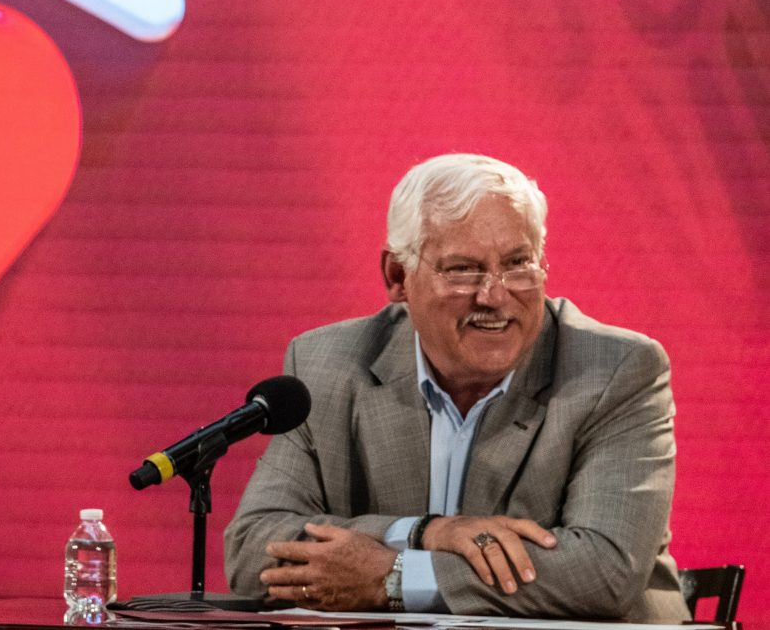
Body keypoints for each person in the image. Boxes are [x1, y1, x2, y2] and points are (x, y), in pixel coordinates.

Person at [223, 153, 687, 622]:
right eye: (463, 269)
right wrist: (423, 532)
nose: (495, 296)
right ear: (398, 277)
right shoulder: (327, 365)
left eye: (518, 263)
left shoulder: (615, 370)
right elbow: (252, 551)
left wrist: (395, 577)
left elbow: (602, 572)